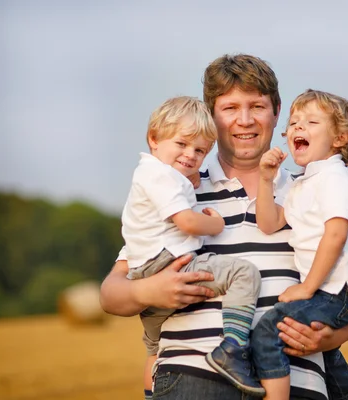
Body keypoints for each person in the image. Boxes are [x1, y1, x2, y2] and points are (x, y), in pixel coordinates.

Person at [100, 54, 348, 400]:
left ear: (277, 112)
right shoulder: (178, 188)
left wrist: (334, 337)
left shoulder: (311, 188)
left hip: (298, 383)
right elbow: (110, 293)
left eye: (257, 106)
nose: (245, 120)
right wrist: (149, 292)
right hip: (195, 378)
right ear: (211, 117)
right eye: (230, 108)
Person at [120, 96, 265, 396]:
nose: (191, 155)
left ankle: (152, 392)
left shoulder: (155, 175)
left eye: (200, 151)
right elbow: (187, 222)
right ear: (154, 139)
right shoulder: (160, 176)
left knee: (154, 348)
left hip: (145, 274)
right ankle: (233, 350)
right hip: (170, 264)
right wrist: (216, 224)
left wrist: (188, 182)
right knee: (244, 275)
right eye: (182, 144)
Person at [252, 89, 348, 400]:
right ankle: (342, 392)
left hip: (343, 290)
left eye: (311, 122)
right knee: (315, 341)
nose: (298, 128)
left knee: (268, 332)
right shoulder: (302, 183)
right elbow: (269, 223)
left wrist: (306, 288)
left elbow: (336, 235)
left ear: (340, 138)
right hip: (329, 289)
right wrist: (266, 181)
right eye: (293, 123)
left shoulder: (335, 179)